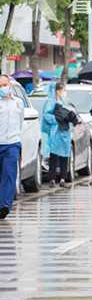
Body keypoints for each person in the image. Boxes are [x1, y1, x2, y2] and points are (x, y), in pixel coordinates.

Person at [43, 82, 78, 188]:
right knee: (53, 156)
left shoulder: (66, 102)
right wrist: (57, 119)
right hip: (55, 131)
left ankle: (63, 178)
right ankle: (52, 179)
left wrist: (71, 118)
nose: (64, 92)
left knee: (64, 156)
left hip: (65, 132)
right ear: (58, 91)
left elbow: (72, 114)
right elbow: (46, 115)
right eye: (63, 90)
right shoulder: (50, 102)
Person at [0, 75, 23, 220]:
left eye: (5, 85)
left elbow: (20, 122)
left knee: (9, 174)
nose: (3, 88)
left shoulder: (18, 103)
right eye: (0, 86)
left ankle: (4, 206)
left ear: (10, 85)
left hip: (12, 144)